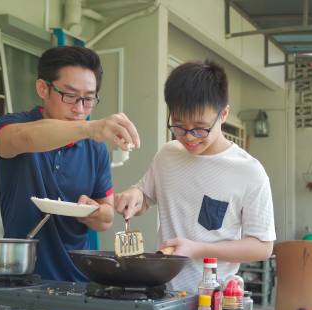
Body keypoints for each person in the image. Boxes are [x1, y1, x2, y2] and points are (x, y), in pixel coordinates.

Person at [114, 60, 275, 291]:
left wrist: (197, 249)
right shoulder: (167, 155)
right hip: (162, 294)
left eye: (200, 128)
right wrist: (133, 195)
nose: (189, 137)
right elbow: (145, 199)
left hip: (214, 298)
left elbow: (262, 247)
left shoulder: (249, 172)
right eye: (179, 126)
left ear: (223, 114)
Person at [0, 46, 140, 282]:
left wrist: (94, 211)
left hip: (79, 280)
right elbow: (24, 139)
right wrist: (89, 128)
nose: (80, 109)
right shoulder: (11, 126)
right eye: (69, 96)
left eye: (89, 99)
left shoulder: (96, 148)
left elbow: (107, 217)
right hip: (21, 277)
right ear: (43, 88)